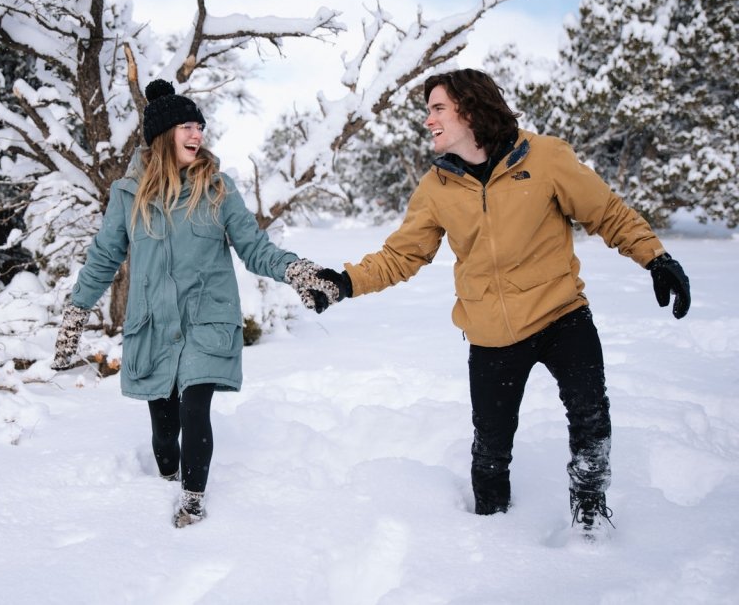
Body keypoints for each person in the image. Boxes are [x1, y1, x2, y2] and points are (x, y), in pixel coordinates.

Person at [310, 68, 691, 541]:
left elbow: (606, 212)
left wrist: (656, 257)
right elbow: (401, 255)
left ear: (469, 110)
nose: (428, 120)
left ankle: (591, 515)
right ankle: (491, 533)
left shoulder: (546, 157)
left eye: (437, 109)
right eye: (427, 111)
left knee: (591, 417)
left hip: (561, 315)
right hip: (492, 334)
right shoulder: (438, 187)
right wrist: (343, 283)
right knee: (491, 447)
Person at [50, 79, 328, 528]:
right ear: (163, 136)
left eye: (199, 125)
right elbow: (104, 256)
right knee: (164, 434)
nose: (197, 133)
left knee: (194, 406)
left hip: (206, 321)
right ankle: (167, 473)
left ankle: (193, 499)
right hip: (154, 327)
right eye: (186, 125)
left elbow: (254, 247)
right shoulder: (128, 195)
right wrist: (75, 315)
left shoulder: (218, 189)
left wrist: (297, 271)